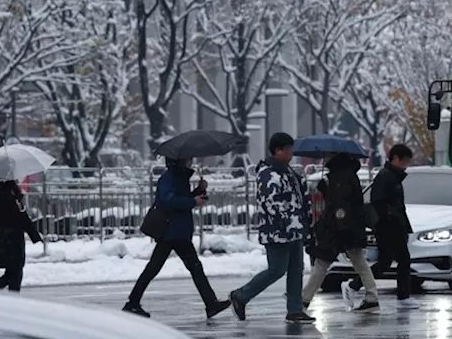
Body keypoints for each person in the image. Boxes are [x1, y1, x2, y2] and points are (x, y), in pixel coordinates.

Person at [124, 160, 229, 319]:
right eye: (188, 158)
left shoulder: (179, 177)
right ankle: (210, 303)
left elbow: (180, 198)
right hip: (172, 231)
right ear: (179, 160)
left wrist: (198, 191)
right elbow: (169, 201)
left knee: (175, 267)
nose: (191, 160)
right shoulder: (169, 178)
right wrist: (193, 201)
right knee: (187, 267)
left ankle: (133, 302)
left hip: (177, 231)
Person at [230, 132, 314, 323]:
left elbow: (299, 198)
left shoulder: (289, 172)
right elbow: (271, 203)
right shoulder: (269, 174)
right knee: (276, 269)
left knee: (296, 269)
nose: (292, 153)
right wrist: (286, 223)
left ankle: (294, 309)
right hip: (278, 232)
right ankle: (241, 295)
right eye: (289, 149)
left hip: (295, 229)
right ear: (278, 150)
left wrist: (304, 222)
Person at [302, 152, 379, 312]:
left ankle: (304, 299)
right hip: (350, 228)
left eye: (328, 154)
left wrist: (326, 190)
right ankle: (372, 296)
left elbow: (340, 207)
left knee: (322, 264)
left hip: (339, 230)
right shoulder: (348, 174)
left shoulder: (339, 178)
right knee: (359, 263)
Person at [364, 143, 415, 304]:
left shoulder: (394, 177)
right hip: (388, 226)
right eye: (405, 160)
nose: (406, 165)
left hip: (395, 225)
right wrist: (391, 216)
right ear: (395, 159)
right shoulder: (386, 176)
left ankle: (404, 296)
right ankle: (354, 284)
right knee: (387, 263)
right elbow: (378, 202)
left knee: (401, 261)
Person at [0, 179, 40, 293]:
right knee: (15, 273)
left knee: (13, 273)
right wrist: (15, 204)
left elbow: (21, 215)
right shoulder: (0, 192)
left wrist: (34, 235)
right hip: (6, 240)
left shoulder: (7, 190)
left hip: (9, 240)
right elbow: (13, 216)